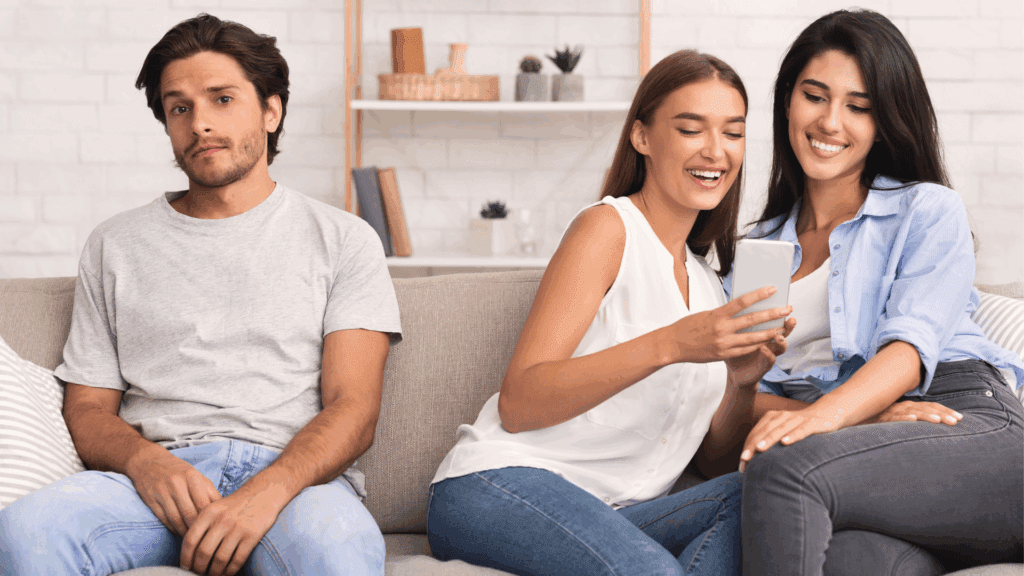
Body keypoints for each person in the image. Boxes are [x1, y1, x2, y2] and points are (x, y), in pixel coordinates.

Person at [0, 14, 401, 576]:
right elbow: (87, 408)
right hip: (153, 485)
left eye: (222, 99)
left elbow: (353, 407)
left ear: (271, 111)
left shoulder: (343, 240)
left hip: (294, 488)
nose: (200, 123)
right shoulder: (115, 245)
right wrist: (145, 463)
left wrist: (268, 491)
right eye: (179, 108)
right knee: (25, 531)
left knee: (335, 550)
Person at [425, 50, 796, 576]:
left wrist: (741, 384)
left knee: (764, 490)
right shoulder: (607, 230)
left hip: (616, 517)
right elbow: (519, 403)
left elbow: (712, 461)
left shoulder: (709, 286)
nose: (716, 151)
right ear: (642, 137)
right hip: (501, 485)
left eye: (733, 133)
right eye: (691, 129)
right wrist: (672, 343)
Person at [723, 9, 1024, 576]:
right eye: (814, 96)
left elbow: (909, 351)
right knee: (853, 561)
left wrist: (827, 418)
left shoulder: (926, 210)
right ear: (787, 101)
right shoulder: (756, 252)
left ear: (884, 123)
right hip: (868, 456)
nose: (830, 121)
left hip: (965, 424)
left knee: (784, 468)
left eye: (859, 107)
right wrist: (856, 420)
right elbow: (740, 394)